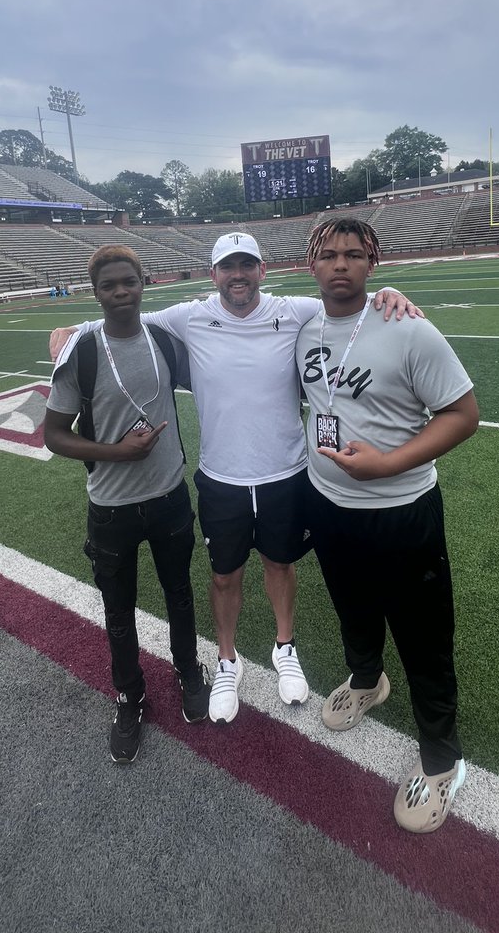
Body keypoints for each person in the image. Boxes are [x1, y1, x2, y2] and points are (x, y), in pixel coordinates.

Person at [51, 231, 421, 726]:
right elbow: (122, 318)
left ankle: (284, 647)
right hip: (221, 476)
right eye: (229, 267)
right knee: (224, 575)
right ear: (214, 276)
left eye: (248, 264)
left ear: (262, 270)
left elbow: (345, 302)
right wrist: (72, 329)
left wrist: (384, 296)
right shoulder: (189, 315)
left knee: (280, 563)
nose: (238, 275)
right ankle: (227, 660)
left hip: (286, 472)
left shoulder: (292, 310)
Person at [297, 216, 478, 833]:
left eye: (354, 254)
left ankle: (441, 760)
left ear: (373, 262)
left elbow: (462, 414)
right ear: (311, 263)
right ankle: (368, 681)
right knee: (353, 609)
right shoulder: (303, 324)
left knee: (425, 638)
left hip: (401, 512)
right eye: (329, 254)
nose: (340, 264)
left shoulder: (408, 327)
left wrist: (388, 465)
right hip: (327, 505)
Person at [44, 246, 209, 764]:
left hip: (168, 496)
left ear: (144, 283)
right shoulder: (82, 351)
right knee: (118, 612)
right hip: (111, 507)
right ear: (96, 293)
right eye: (109, 286)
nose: (120, 293)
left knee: (180, 594)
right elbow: (53, 435)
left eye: (128, 283)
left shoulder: (163, 339)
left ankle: (188, 669)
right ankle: (129, 696)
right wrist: (117, 452)